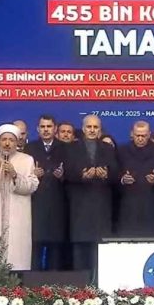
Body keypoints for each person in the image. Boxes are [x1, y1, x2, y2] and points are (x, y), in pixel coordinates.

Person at [0, 123, 39, 270]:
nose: (7, 143)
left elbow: (31, 187)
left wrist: (14, 174)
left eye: (11, 140)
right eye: (4, 139)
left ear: (17, 142)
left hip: (18, 218)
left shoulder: (27, 160)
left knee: (17, 258)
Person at [65, 115, 117, 271]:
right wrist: (82, 176)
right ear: (83, 129)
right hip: (80, 205)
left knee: (100, 248)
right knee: (80, 248)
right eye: (89, 127)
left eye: (95, 127)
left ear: (100, 130)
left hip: (101, 204)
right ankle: (81, 284)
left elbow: (116, 173)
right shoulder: (71, 148)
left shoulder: (108, 148)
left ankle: (99, 282)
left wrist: (106, 174)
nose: (92, 130)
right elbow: (66, 173)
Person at [25, 115, 67, 271]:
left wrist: (63, 175)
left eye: (49, 126)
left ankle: (54, 282)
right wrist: (32, 173)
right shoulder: (29, 148)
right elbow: (23, 176)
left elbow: (73, 173)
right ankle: (33, 282)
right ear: (37, 129)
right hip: (36, 204)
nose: (46, 130)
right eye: (43, 127)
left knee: (56, 247)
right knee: (35, 245)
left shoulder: (65, 148)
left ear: (55, 129)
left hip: (58, 204)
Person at [117, 121, 154, 237]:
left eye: (143, 136)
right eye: (137, 135)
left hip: (150, 206)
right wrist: (123, 179)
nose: (140, 139)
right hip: (128, 207)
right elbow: (114, 174)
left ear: (149, 134)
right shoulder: (122, 151)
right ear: (131, 134)